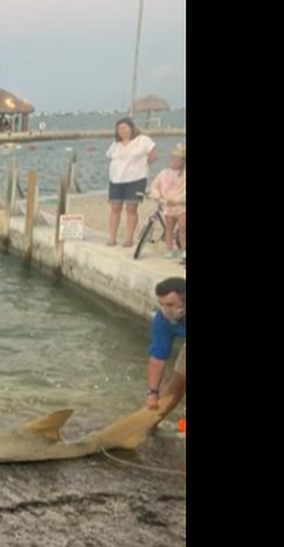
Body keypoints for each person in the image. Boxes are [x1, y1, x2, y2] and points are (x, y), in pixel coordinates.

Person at [106, 117, 158, 247]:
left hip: (136, 179)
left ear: (131, 128)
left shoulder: (142, 140)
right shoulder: (115, 144)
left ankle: (129, 238)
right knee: (115, 208)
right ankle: (112, 237)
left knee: (131, 209)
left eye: (124, 128)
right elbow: (110, 158)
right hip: (116, 180)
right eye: (119, 129)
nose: (122, 131)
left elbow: (153, 155)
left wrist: (143, 166)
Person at [146, 278, 186, 413]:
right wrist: (152, 392)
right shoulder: (163, 319)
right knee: (179, 381)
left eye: (170, 304)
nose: (165, 310)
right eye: (162, 305)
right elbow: (158, 356)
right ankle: (151, 424)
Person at [149, 143, 186, 259]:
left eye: (178, 160)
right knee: (169, 228)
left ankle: (183, 249)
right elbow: (155, 186)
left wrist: (177, 200)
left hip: (181, 205)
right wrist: (158, 196)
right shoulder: (164, 173)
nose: (175, 162)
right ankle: (169, 248)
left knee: (183, 227)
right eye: (173, 159)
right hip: (168, 205)